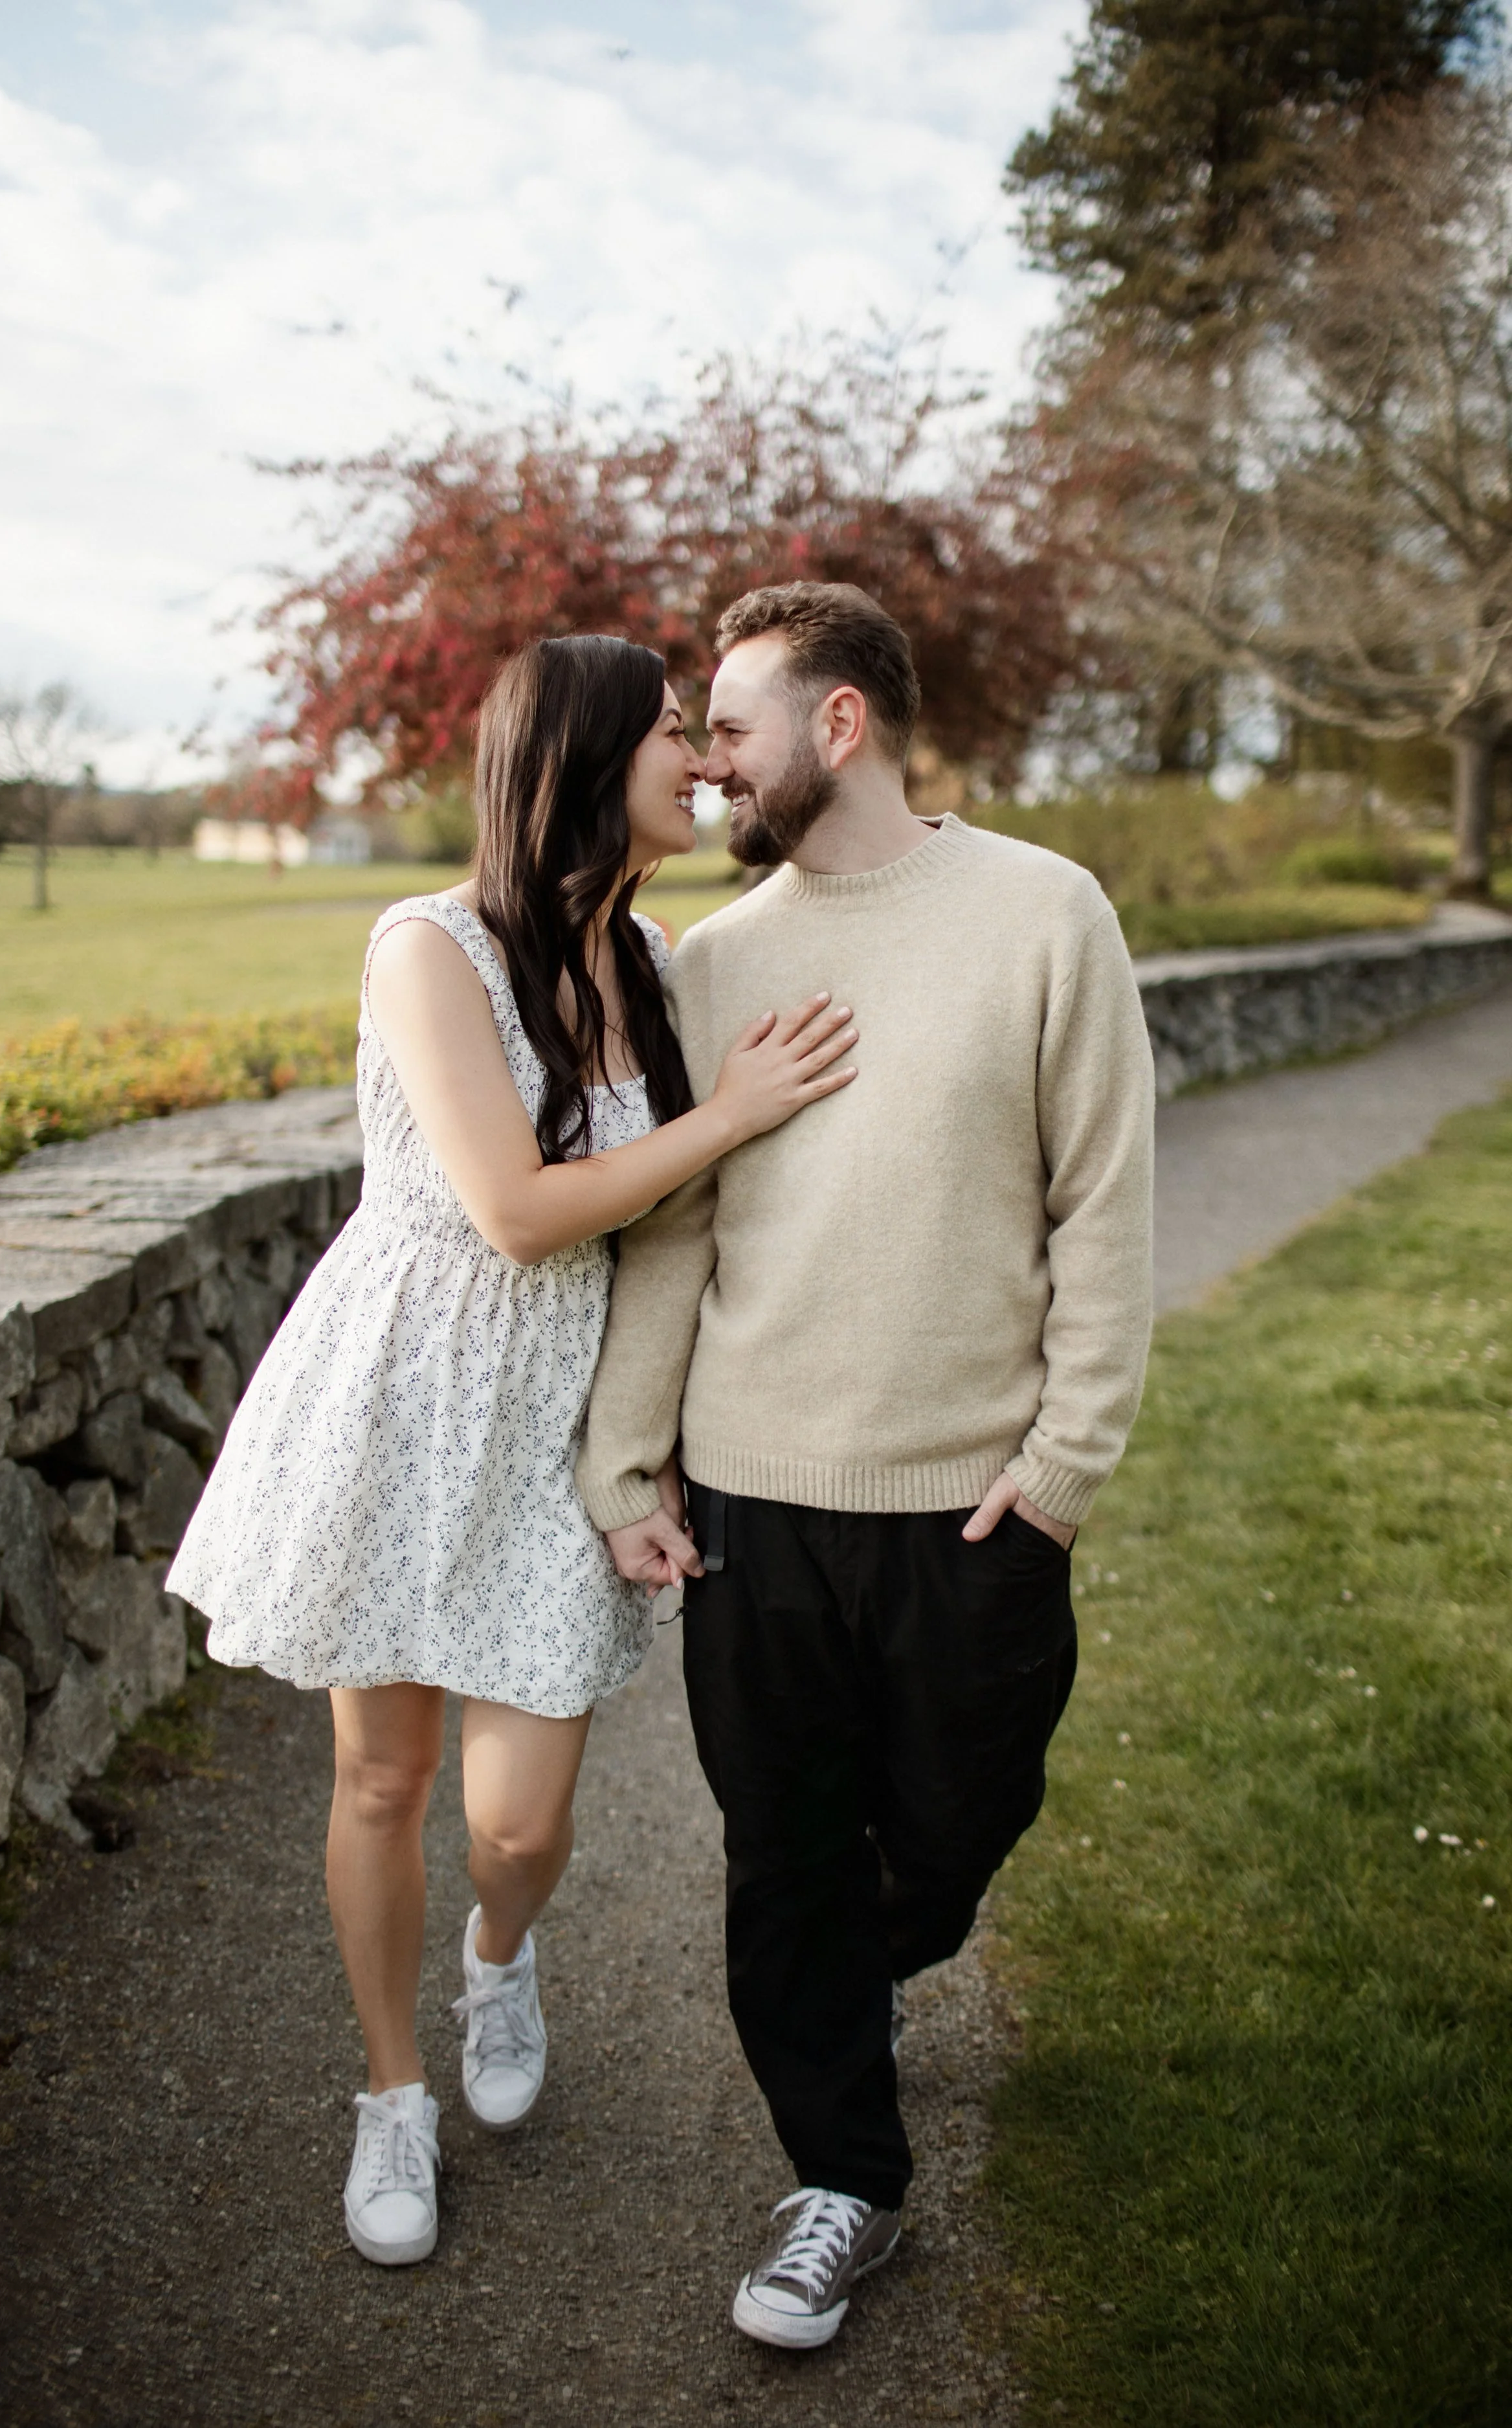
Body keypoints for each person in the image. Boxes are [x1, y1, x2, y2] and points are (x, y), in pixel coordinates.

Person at [166, 635, 861, 2269]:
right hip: (403, 1399)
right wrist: (727, 1115)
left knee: (521, 1827)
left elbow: (665, 1237)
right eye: (676, 734)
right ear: (582, 753)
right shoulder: (430, 951)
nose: (700, 757)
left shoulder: (655, 958)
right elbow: (511, 1210)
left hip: (558, 1423)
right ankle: (390, 2097)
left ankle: (497, 1954)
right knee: (380, 1776)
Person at [577, 582, 1155, 2350]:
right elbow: (674, 1230)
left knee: (959, 1819)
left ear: (841, 724)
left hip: (974, 1506)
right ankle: (842, 2177)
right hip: (755, 1505)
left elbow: (1103, 1204)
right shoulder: (712, 961)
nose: (708, 758)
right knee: (782, 1853)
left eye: (733, 722)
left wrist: (1061, 1464)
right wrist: (626, 1464)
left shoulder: (1044, 914)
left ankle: (859, 1970)